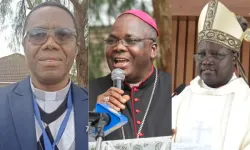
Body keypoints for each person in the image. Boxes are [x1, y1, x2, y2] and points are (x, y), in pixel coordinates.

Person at [0, 2, 88, 150]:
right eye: (38, 34)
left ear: (77, 48)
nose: (50, 44)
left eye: (63, 35)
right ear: (24, 45)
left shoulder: (99, 108)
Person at [172, 0, 250, 149]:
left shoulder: (246, 102)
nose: (206, 61)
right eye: (201, 54)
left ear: (234, 58)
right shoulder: (179, 99)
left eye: (216, 54)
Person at [89, 10, 172, 140]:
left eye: (131, 40)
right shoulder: (88, 92)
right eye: (112, 41)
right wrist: (94, 117)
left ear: (153, 50)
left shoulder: (172, 90)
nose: (118, 47)